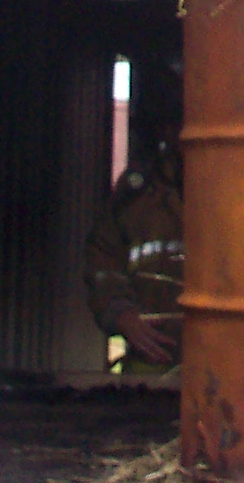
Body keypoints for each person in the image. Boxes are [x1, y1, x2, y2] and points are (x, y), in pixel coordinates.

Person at [86, 105, 184, 374]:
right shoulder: (137, 195)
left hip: (230, 362)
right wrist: (120, 314)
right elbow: (103, 260)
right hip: (152, 362)